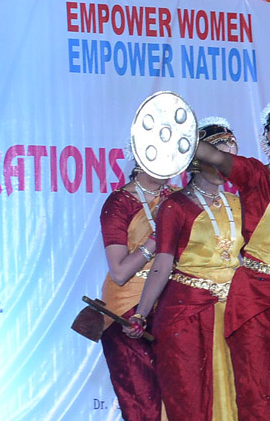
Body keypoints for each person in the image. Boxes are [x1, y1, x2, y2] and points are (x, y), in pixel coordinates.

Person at [192, 95, 270, 419]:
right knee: (258, 389)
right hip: (257, 295)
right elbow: (213, 155)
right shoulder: (256, 175)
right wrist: (182, 137)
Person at [126, 119, 243, 421]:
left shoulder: (237, 203)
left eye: (232, 153)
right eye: (219, 153)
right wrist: (141, 312)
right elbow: (162, 265)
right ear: (196, 158)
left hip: (234, 313)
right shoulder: (175, 206)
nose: (227, 161)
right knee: (190, 397)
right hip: (186, 314)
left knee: (235, 393)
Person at [97, 163, 174, 421]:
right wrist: (156, 239)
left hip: (173, 306)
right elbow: (119, 272)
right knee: (144, 403)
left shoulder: (178, 198)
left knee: (181, 398)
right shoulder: (119, 203)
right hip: (127, 309)